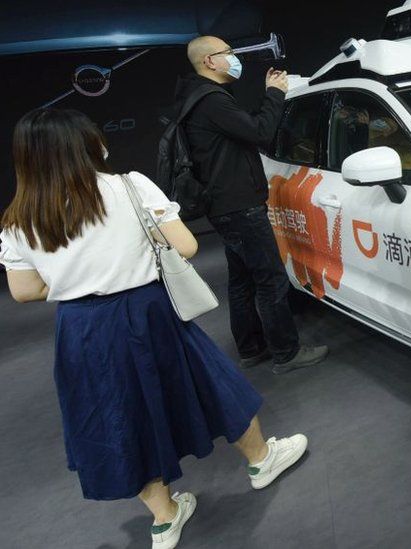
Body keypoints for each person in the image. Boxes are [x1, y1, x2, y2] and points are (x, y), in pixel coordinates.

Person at [0, 108, 309, 549]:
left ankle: (165, 518)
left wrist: (72, 273)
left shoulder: (18, 218)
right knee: (207, 383)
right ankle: (262, 460)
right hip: (146, 311)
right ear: (85, 144)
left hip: (81, 328)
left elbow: (25, 290)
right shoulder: (129, 185)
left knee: (115, 415)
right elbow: (184, 244)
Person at [175, 36, 328, 374]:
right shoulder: (211, 100)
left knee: (242, 281)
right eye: (229, 53)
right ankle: (286, 353)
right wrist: (274, 92)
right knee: (270, 279)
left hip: (224, 205)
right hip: (239, 205)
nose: (235, 58)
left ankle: (251, 348)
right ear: (211, 61)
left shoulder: (195, 98)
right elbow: (260, 132)